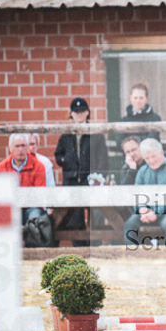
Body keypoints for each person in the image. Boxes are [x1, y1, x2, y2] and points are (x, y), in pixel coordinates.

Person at [54, 97, 109, 244]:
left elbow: (103, 160)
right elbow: (58, 154)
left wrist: (99, 178)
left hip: (91, 182)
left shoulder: (96, 135)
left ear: (87, 113)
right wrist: (65, 161)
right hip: (71, 181)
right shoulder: (66, 134)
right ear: (71, 114)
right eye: (76, 112)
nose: (79, 114)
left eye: (82, 111)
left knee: (95, 217)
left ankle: (95, 250)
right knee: (74, 219)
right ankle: (79, 252)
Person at [123, 138, 166, 245]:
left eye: (154, 156)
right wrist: (142, 209)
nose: (151, 161)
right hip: (148, 212)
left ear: (161, 152)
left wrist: (156, 212)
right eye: (147, 158)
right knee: (129, 224)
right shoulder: (143, 171)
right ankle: (134, 257)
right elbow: (137, 194)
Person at [0, 133, 51, 246]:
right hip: (10, 206)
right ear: (10, 148)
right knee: (3, 215)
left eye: (24, 145)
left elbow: (39, 195)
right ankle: (7, 248)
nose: (21, 149)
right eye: (17, 146)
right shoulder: (1, 167)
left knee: (35, 217)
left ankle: (35, 251)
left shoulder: (38, 166)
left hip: (31, 206)